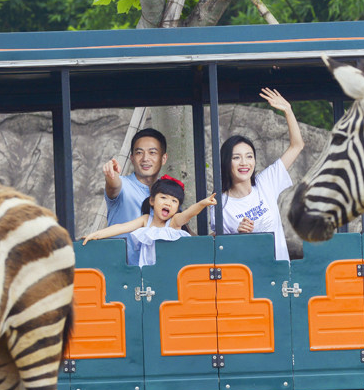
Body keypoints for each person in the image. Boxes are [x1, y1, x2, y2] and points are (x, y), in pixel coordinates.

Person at [211, 88, 304, 260]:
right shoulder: (220, 204)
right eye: (236, 157)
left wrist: (288, 111)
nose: (244, 163)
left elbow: (297, 146)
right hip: (246, 276)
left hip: (279, 272)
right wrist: (239, 235)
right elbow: (221, 250)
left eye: (249, 156)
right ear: (226, 162)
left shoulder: (266, 182)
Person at [83, 175, 216, 267]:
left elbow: (188, 214)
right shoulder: (146, 220)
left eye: (174, 201)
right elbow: (121, 227)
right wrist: (96, 234)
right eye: (163, 198)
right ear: (152, 200)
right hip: (147, 273)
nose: (168, 203)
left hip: (171, 272)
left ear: (177, 207)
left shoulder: (174, 222)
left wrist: (203, 204)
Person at [102, 128, 168, 263]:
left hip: (156, 272)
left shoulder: (168, 193)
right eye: (139, 153)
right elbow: (114, 185)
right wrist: (111, 175)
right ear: (132, 158)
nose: (145, 159)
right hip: (121, 272)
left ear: (163, 158)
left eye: (152, 152)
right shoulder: (124, 185)